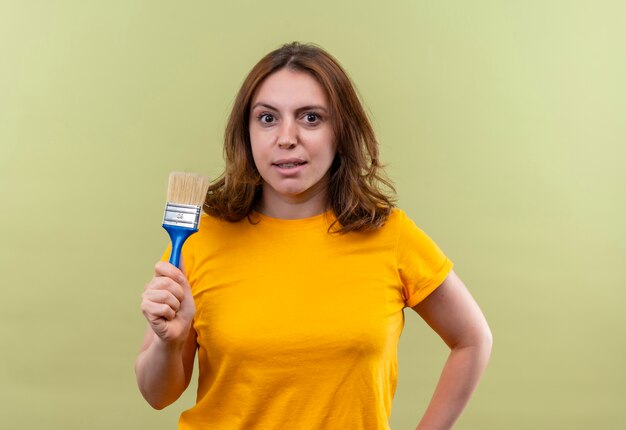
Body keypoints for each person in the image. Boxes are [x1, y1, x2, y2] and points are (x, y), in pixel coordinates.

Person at [135, 42, 492, 430]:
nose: (287, 138)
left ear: (341, 130)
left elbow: (472, 340)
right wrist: (169, 342)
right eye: (267, 119)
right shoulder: (200, 240)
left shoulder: (391, 236)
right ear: (247, 132)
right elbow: (158, 395)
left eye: (310, 118)